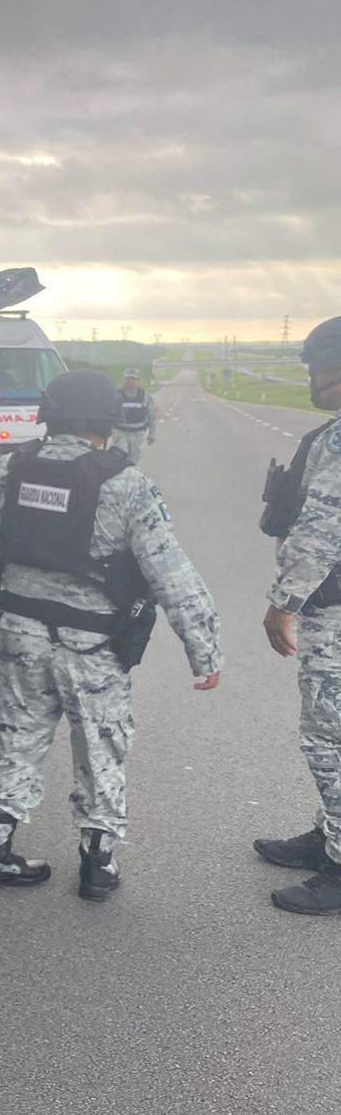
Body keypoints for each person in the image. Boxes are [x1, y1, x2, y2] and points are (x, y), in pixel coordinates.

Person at [0, 369, 221, 900]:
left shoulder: (14, 468)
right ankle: (97, 868)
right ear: (105, 423)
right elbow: (171, 575)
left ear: (49, 415)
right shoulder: (126, 483)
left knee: (15, 740)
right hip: (95, 647)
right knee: (101, 748)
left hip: (22, 636)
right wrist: (205, 651)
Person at [255, 315, 341, 915]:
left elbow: (322, 526)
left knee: (329, 737)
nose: (312, 376)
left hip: (333, 609)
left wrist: (283, 602)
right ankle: (328, 835)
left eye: (318, 364)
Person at [111, 367, 156, 464]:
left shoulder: (144, 395)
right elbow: (109, 412)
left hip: (138, 433)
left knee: (133, 460)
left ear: (137, 380)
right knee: (119, 456)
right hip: (120, 431)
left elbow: (151, 415)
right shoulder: (116, 394)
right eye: (128, 378)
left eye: (133, 378)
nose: (130, 381)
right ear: (124, 379)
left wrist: (152, 434)